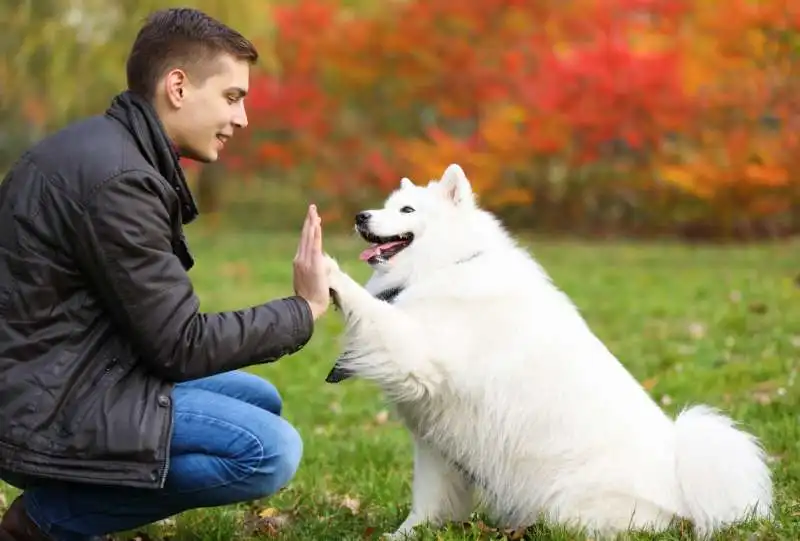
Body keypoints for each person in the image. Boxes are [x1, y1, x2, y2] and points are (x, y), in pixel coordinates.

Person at [0, 7, 331, 541]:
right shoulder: (120, 180)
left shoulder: (110, 151)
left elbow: (160, 335)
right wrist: (304, 309)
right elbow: (181, 346)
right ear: (177, 86)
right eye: (231, 97)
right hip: (43, 409)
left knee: (260, 399)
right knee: (270, 451)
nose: (243, 118)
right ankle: (44, 520)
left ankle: (69, 501)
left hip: (67, 371)